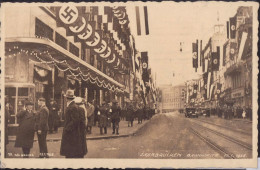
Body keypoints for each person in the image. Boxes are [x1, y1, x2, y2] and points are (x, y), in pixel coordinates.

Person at [60, 90, 87, 158]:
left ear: (67, 98)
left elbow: (75, 120)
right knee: (72, 150)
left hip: (71, 132)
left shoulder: (72, 107)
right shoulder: (72, 106)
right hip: (72, 132)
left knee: (71, 151)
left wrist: (67, 128)